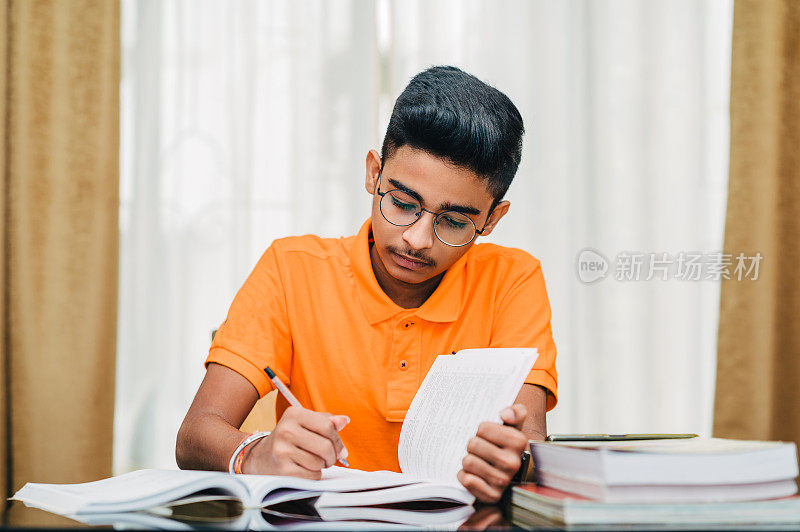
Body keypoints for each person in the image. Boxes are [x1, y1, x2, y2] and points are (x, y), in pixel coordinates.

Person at [176, 65, 557, 503]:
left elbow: (531, 444)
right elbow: (194, 436)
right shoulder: (292, 267)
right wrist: (256, 452)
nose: (416, 239)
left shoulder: (512, 279)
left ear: (492, 218)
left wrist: (515, 462)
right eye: (402, 202)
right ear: (373, 174)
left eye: (454, 221)